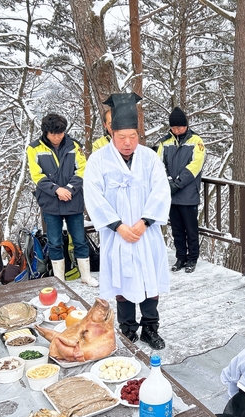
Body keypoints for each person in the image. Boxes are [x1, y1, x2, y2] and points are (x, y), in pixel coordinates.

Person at [84, 93, 171, 350]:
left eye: (133, 136)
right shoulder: (98, 160)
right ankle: (128, 329)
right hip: (117, 233)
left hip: (146, 232)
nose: (128, 142)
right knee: (123, 280)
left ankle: (150, 328)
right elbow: (93, 195)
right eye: (122, 137)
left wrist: (144, 222)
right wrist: (118, 226)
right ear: (111, 132)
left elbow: (161, 190)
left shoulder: (149, 157)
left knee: (149, 279)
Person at [27, 113, 97, 287]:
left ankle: (86, 276)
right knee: (55, 242)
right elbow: (36, 175)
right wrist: (56, 189)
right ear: (46, 133)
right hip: (50, 203)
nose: (57, 137)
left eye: (60, 133)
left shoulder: (74, 146)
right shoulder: (34, 148)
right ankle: (59, 279)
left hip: (73, 200)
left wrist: (69, 189)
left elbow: (82, 169)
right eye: (53, 134)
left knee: (80, 240)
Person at [157, 107, 206, 273]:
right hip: (171, 194)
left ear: (186, 126)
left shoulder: (196, 141)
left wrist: (178, 183)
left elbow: (195, 165)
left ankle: (192, 258)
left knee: (191, 229)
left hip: (188, 192)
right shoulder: (165, 142)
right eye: (174, 127)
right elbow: (158, 164)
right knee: (177, 228)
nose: (177, 130)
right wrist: (167, 181)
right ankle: (180, 257)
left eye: (180, 127)